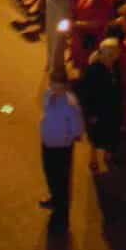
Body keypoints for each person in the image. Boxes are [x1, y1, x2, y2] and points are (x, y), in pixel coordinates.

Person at [40, 76, 84, 231]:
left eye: (57, 86)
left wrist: (67, 136)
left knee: (61, 182)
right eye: (52, 85)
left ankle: (61, 219)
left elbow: (77, 129)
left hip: (61, 148)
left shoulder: (70, 105)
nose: (54, 89)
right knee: (50, 175)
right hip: (47, 144)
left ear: (65, 87)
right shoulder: (48, 95)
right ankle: (54, 198)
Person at [74, 38, 123, 173]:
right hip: (98, 111)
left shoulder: (114, 67)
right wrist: (90, 114)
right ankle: (93, 158)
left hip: (112, 109)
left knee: (112, 133)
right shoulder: (94, 71)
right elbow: (86, 94)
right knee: (95, 137)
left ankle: (108, 155)